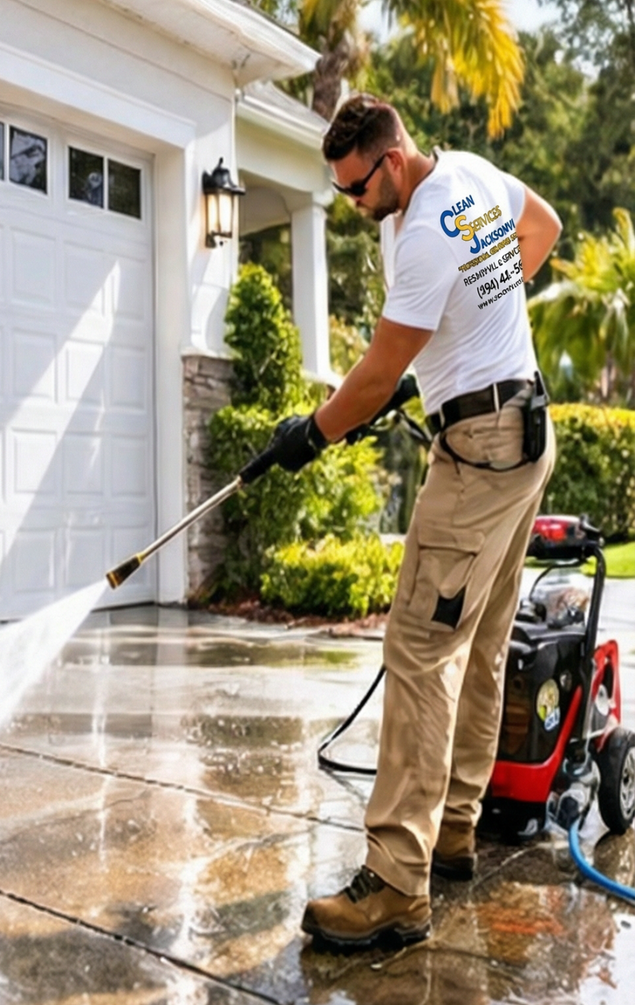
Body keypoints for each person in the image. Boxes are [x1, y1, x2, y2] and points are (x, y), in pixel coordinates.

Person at [260, 94, 563, 950]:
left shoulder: (426, 229)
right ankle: (455, 830)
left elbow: (369, 378)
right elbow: (541, 228)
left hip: (480, 452)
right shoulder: (470, 174)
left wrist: (310, 434)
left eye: (357, 187)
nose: (352, 204)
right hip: (525, 431)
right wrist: (476, 327)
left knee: (420, 650)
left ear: (391, 161)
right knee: (482, 640)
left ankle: (396, 883)